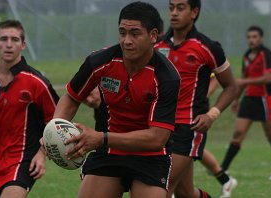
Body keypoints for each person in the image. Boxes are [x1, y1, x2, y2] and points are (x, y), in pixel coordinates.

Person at [51, 2, 180, 198]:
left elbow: (157, 138)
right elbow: (72, 97)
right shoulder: (99, 62)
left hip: (151, 157)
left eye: (135, 34)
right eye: (122, 32)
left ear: (153, 35)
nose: (126, 40)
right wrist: (54, 128)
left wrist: (100, 138)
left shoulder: (167, 77)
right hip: (109, 152)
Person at [155, 0, 237, 197]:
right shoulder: (157, 45)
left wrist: (212, 115)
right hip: (158, 126)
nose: (174, 13)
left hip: (188, 127)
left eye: (180, 8)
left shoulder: (208, 47)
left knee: (160, 188)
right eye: (171, 7)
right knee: (185, 193)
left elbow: (231, 86)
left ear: (194, 12)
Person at [0, 20, 59, 198]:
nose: (9, 44)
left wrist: (42, 153)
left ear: (23, 45)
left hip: (24, 159)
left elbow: (57, 121)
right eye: (4, 39)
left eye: (15, 39)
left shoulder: (36, 82)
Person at [221, 26, 271, 180]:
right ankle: (223, 169)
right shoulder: (247, 55)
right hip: (249, 99)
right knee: (238, 133)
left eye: (255, 37)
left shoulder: (267, 54)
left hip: (265, 99)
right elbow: (242, 80)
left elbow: (268, 78)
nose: (251, 40)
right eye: (249, 37)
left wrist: (245, 81)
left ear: (261, 38)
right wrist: (236, 99)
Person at [200, 74, 237, 198]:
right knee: (190, 147)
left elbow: (215, 76)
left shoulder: (208, 54)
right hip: (174, 104)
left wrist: (201, 97)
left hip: (193, 108)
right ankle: (225, 180)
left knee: (190, 146)